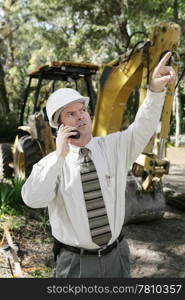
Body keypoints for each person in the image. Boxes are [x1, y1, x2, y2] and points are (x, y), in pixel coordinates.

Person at [21, 52, 176, 278]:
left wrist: (155, 91)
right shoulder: (51, 164)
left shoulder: (113, 146)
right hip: (76, 265)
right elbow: (33, 199)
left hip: (117, 257)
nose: (81, 116)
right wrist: (59, 156)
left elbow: (143, 126)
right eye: (71, 114)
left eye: (83, 110)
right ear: (59, 125)